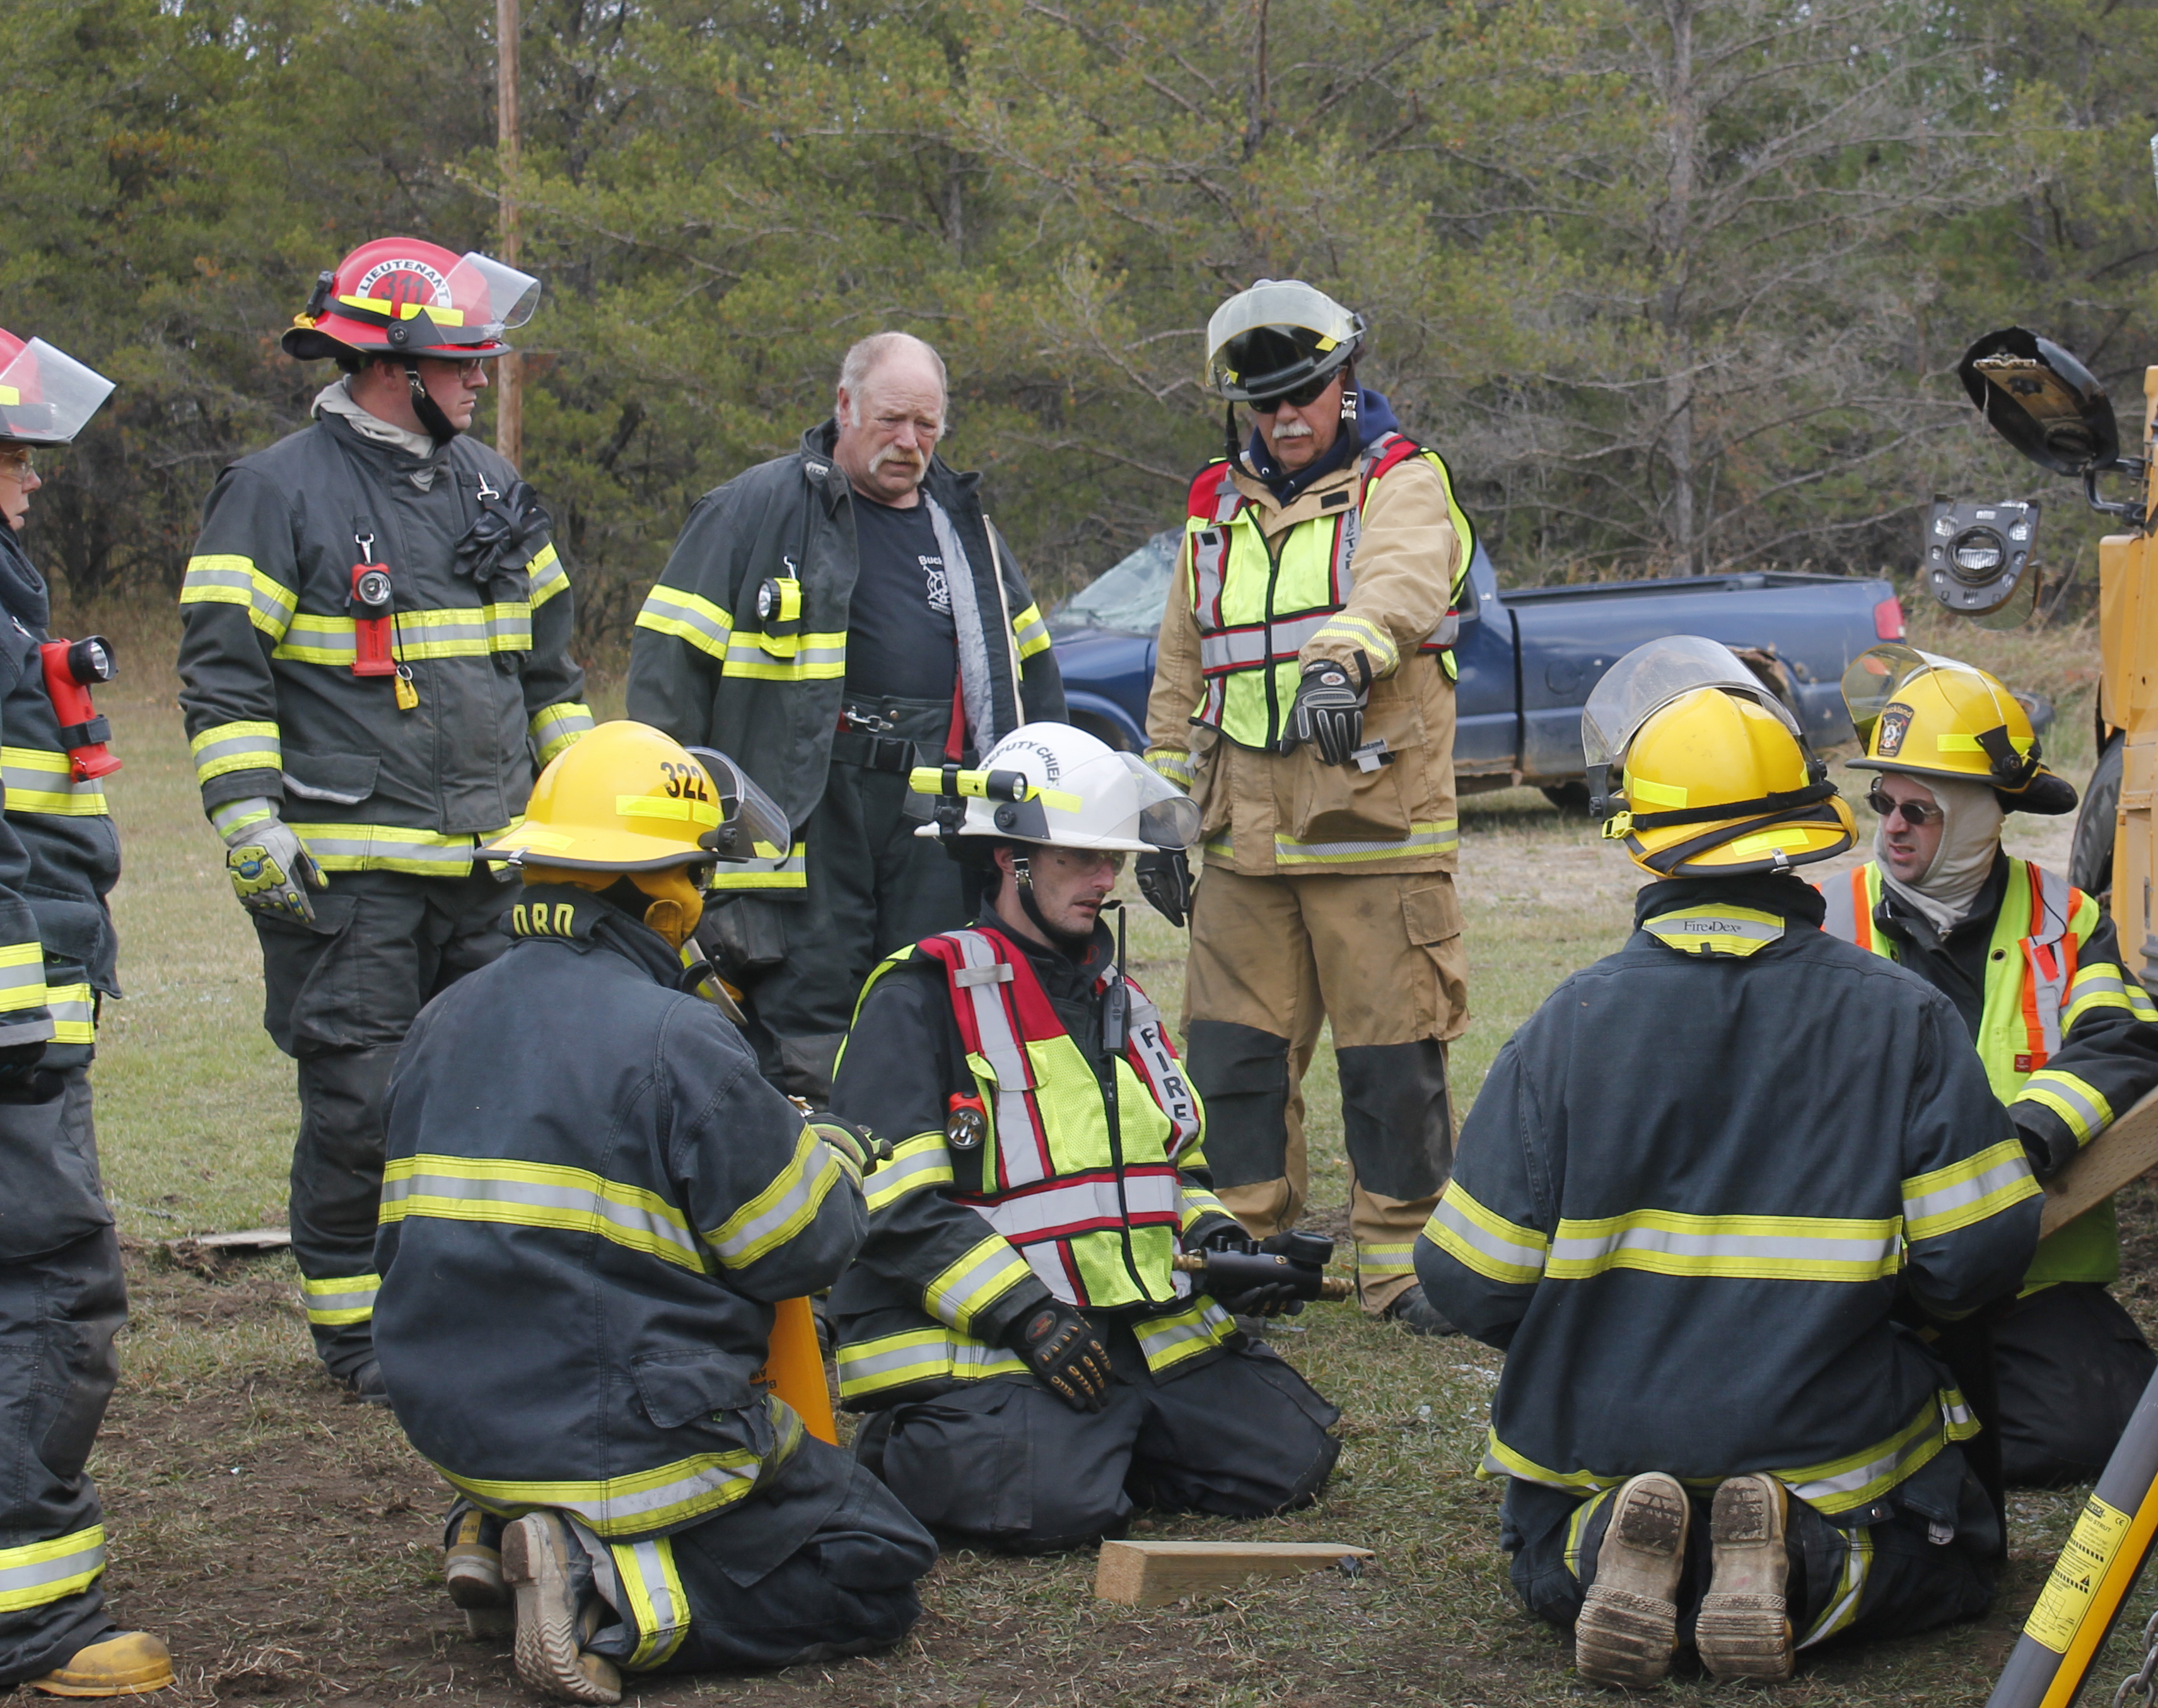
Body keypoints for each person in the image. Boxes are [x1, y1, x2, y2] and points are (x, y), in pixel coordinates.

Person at [1413, 639, 2039, 1689]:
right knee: (1945, 1555)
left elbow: (1465, 1281)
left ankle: (1601, 1536)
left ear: (1645, 849)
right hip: (1830, 1444)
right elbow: (1976, 1261)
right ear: (1798, 842)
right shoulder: (1903, 1021)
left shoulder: (1564, 1029)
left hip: (1594, 1432)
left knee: (1539, 1550)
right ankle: (1801, 1558)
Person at [378, 720, 934, 1705]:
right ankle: (607, 1597)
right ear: (665, 892)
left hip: (459, 1412)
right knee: (875, 1559)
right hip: (621, 1432)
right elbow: (799, 1248)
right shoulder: (677, 1036)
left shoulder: (441, 1018)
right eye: (700, 874)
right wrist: (833, 1155)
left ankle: (491, 1522)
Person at [177, 237, 586, 1400]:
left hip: (494, 865)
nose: (478, 383)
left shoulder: (493, 487)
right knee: (362, 1106)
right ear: (391, 368)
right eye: (460, 367)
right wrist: (251, 819)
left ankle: (476, 1311)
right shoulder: (275, 491)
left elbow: (550, 679)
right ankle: (356, 1334)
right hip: (348, 875)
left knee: (499, 1100)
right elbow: (221, 671)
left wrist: (575, 825)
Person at [826, 721, 1343, 1549]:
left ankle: (1099, 1442)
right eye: (1080, 859)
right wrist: (1024, 1315)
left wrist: (1225, 1252)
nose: (1105, 880)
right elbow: (889, 1206)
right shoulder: (923, 995)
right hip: (996, 1340)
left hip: (1123, 1330)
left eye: (1114, 860)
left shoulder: (1119, 998)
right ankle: (933, 1450)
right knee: (1055, 1510)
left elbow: (1172, 1168)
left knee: (1291, 1457)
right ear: (1010, 858)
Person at [1144, 282, 1477, 1328]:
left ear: (1346, 381)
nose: (1287, 417)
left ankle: (1403, 1265)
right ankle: (1245, 1256)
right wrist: (1157, 806)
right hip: (1243, 840)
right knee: (1230, 1059)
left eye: (1307, 392)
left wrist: (1344, 657)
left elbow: (1404, 578)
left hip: (1372, 828)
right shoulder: (1212, 506)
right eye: (1265, 403)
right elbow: (1181, 658)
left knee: (1389, 1064)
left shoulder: (1402, 481)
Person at [628, 332, 1066, 1101]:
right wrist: (672, 824)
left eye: (927, 426)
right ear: (844, 405)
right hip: (806, 812)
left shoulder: (968, 535)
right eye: (892, 420)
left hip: (933, 818)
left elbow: (1033, 685)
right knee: (809, 1012)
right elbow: (668, 677)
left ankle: (918, 1182)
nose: (909, 443)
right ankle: (820, 1186)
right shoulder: (754, 512)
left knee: (931, 997)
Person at [1821, 651, 2158, 1489]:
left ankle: (1916, 1431)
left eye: (1922, 809)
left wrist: (2020, 1144)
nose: (1895, 827)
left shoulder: (2068, 919)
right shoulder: (1829, 921)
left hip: (2031, 1270)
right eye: (1884, 804)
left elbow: (2122, 1040)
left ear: (1982, 818)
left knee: (2106, 1428)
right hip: (1870, 1274)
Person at [0, 335, 170, 1699]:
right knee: (50, 1287)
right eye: (7, 459)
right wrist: (19, 1028)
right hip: (12, 1033)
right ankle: (30, 1619)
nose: (30, 487)